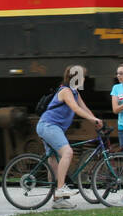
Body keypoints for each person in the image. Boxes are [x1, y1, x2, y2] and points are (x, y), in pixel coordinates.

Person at [36, 64, 103, 208]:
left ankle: (57, 201)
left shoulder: (75, 93)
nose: (84, 79)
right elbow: (75, 108)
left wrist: (96, 120)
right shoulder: (66, 91)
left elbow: (84, 109)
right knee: (67, 152)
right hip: (48, 126)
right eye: (83, 76)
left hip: (52, 127)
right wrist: (93, 120)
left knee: (54, 161)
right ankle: (60, 189)